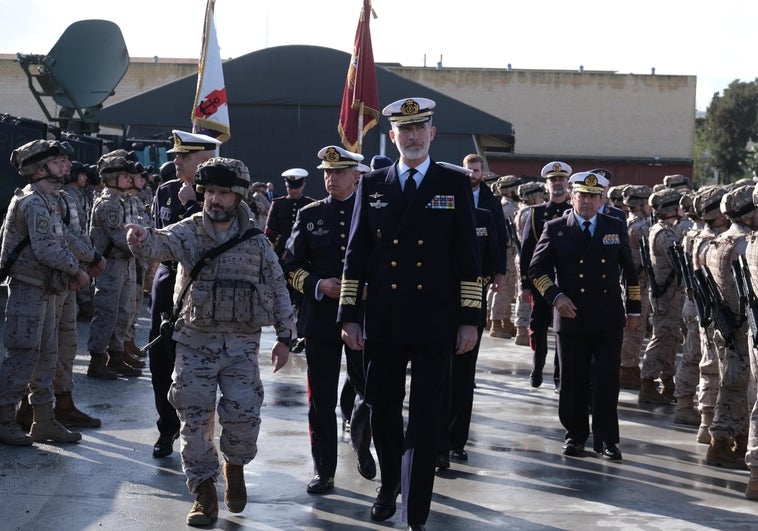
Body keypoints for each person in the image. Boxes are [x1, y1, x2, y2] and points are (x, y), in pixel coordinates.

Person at [125, 157, 295, 526]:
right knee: (195, 420)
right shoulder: (190, 231)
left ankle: (234, 466)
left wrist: (285, 337)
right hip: (194, 343)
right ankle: (203, 491)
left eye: (222, 193)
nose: (214, 200)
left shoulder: (254, 240)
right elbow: (161, 243)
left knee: (243, 417)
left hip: (240, 349)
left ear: (237, 196)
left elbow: (278, 286)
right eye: (209, 192)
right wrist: (140, 238)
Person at [339, 97, 482, 530]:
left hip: (435, 322)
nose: (415, 136)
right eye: (406, 129)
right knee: (382, 408)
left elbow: (468, 258)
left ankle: (415, 508)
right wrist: (348, 314)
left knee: (425, 415)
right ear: (394, 136)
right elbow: (356, 253)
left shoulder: (453, 184)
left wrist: (470, 319)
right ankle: (388, 484)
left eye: (422, 128)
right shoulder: (374, 184)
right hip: (384, 319)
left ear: (432, 133)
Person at [529, 170, 640, 461]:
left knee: (606, 380)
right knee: (572, 380)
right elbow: (536, 270)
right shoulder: (556, 228)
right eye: (582, 195)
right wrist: (555, 297)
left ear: (602, 198)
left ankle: (607, 439)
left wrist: (635, 309)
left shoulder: (615, 225)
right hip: (571, 316)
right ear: (572, 196)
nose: (588, 202)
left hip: (607, 317)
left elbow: (631, 273)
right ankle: (575, 435)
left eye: (593, 196)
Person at [282, 144, 375, 493]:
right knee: (320, 398)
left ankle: (362, 442)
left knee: (370, 390)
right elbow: (289, 265)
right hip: (321, 316)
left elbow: (385, 261)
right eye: (326, 172)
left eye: (338, 173)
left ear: (356, 176)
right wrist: (319, 284)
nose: (330, 178)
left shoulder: (372, 212)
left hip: (363, 315)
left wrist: (370, 289)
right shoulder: (309, 215)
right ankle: (325, 470)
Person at [0, 139, 92, 446]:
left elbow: (64, 237)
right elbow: (46, 249)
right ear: (40, 169)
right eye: (57, 161)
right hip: (29, 288)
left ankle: (43, 420)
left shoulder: (49, 199)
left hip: (47, 288)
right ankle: (3, 419)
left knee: (47, 355)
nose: (64, 166)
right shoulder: (32, 202)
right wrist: (76, 270)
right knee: (23, 354)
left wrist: (89, 259)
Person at [148, 130, 220, 459]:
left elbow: (216, 244)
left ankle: (201, 434)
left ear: (205, 159)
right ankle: (166, 429)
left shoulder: (220, 196)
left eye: (184, 156)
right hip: (168, 285)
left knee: (200, 367)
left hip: (202, 291)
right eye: (176, 155)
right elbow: (160, 238)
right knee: (161, 362)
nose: (175, 161)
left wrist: (192, 203)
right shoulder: (164, 191)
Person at [703, 184, 756, 470]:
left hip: (725, 321)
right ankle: (720, 441)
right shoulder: (744, 244)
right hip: (741, 323)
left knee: (731, 380)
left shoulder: (718, 242)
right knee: (736, 383)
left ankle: (733, 438)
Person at [86, 151, 143, 379]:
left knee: (122, 311)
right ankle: (97, 359)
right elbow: (120, 238)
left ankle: (116, 356)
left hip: (123, 262)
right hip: (109, 265)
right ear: (111, 179)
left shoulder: (121, 200)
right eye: (124, 175)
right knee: (107, 313)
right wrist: (141, 240)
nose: (129, 179)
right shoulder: (108, 203)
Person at [519, 161, 573, 389]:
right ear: (546, 185)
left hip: (567, 282)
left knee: (563, 330)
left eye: (561, 180)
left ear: (567, 183)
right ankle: (537, 368)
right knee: (538, 328)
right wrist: (524, 284)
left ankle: (560, 376)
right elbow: (526, 252)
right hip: (542, 282)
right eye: (553, 180)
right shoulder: (535, 214)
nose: (557, 184)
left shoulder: (575, 212)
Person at [638, 188, 684, 405]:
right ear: (672, 209)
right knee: (661, 338)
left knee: (669, 338)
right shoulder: (665, 234)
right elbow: (680, 262)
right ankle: (647, 382)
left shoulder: (660, 228)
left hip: (667, 293)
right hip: (667, 294)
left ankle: (667, 381)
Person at [618, 185, 653, 390]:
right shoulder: (641, 227)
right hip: (638, 281)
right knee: (634, 329)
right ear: (641, 205)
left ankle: (625, 366)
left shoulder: (626, 222)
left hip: (629, 280)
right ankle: (627, 369)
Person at [513, 181, 545, 346]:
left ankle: (521, 328)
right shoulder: (530, 214)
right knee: (527, 295)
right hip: (530, 256)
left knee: (522, 293)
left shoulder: (521, 211)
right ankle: (523, 330)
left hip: (522, 255)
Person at [488, 174, 520, 339]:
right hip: (508, 251)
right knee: (504, 289)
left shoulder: (504, 205)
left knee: (503, 288)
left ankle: (504, 320)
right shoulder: (510, 208)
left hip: (508, 250)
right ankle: (497, 322)